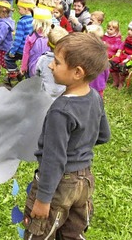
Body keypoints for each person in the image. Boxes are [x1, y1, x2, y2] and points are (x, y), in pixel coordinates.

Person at [23, 32, 110, 240]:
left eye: (57, 62)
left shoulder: (60, 110)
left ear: (78, 72)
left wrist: (43, 200)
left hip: (59, 186)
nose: (51, 66)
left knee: (41, 233)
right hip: (84, 182)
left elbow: (53, 160)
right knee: (72, 233)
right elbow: (103, 135)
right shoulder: (95, 98)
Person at [5, 0, 35, 84]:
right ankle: (27, 79)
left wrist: (13, 51)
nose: (18, 11)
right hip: (30, 49)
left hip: (21, 48)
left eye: (19, 9)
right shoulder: (34, 19)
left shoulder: (22, 22)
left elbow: (18, 39)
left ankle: (14, 76)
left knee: (8, 58)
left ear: (26, 9)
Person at [109, 19, 132, 88]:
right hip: (124, 55)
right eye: (129, 29)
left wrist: (130, 57)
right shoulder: (128, 38)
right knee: (112, 62)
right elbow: (123, 44)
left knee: (123, 67)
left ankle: (121, 83)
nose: (129, 31)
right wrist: (119, 50)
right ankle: (115, 80)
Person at [35, 25, 69, 99]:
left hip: (45, 97)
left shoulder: (42, 60)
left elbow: (36, 76)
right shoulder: (68, 61)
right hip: (63, 97)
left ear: (48, 43)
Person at [21, 7, 52, 78]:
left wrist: (23, 67)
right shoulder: (51, 36)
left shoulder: (31, 36)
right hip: (47, 68)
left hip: (33, 67)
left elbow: (26, 53)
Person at [86, 24, 110, 97]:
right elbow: (107, 70)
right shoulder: (104, 51)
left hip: (89, 83)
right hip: (99, 84)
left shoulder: (86, 51)